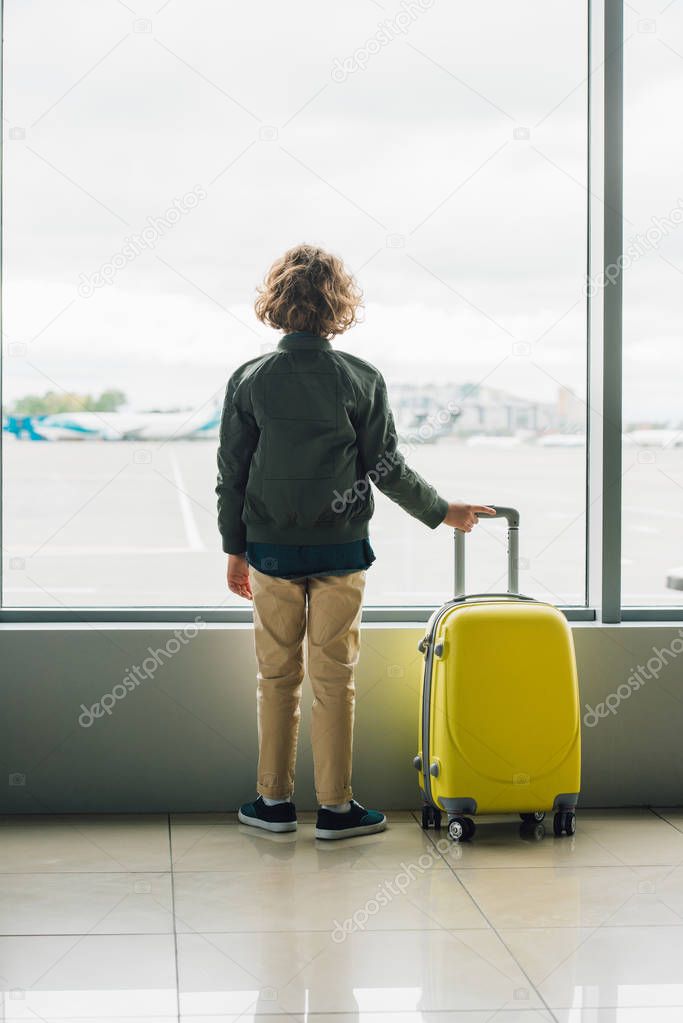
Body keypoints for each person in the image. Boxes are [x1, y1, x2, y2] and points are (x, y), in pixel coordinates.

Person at [216, 244, 494, 839]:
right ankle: (337, 810)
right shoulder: (360, 378)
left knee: (276, 678)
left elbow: (232, 474)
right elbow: (386, 466)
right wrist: (442, 511)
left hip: (269, 552)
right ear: (337, 306)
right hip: (341, 552)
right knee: (334, 679)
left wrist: (234, 550)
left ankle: (273, 803)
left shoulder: (249, 379)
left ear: (277, 303)